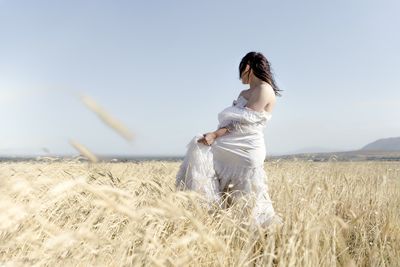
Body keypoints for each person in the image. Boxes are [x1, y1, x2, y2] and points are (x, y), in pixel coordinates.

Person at [176, 51, 283, 228]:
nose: (240, 75)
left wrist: (215, 135)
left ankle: (260, 236)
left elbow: (243, 123)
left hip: (245, 147)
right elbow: (232, 122)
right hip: (231, 143)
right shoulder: (245, 92)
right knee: (200, 148)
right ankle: (218, 222)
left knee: (249, 198)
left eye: (241, 69)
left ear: (248, 66)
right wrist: (213, 134)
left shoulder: (264, 89)